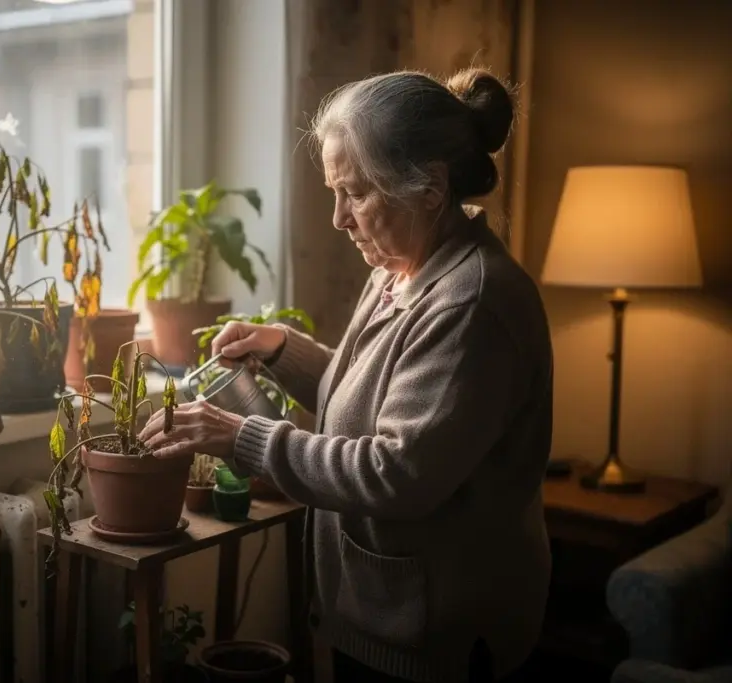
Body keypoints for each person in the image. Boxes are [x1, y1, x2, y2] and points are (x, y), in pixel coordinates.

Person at [140, 67, 553, 683]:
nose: (339, 218)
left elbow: (396, 471)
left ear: (431, 189)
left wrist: (241, 438)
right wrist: (285, 349)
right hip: (387, 614)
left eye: (356, 193)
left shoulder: (474, 304)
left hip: (437, 640)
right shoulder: (400, 269)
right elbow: (383, 398)